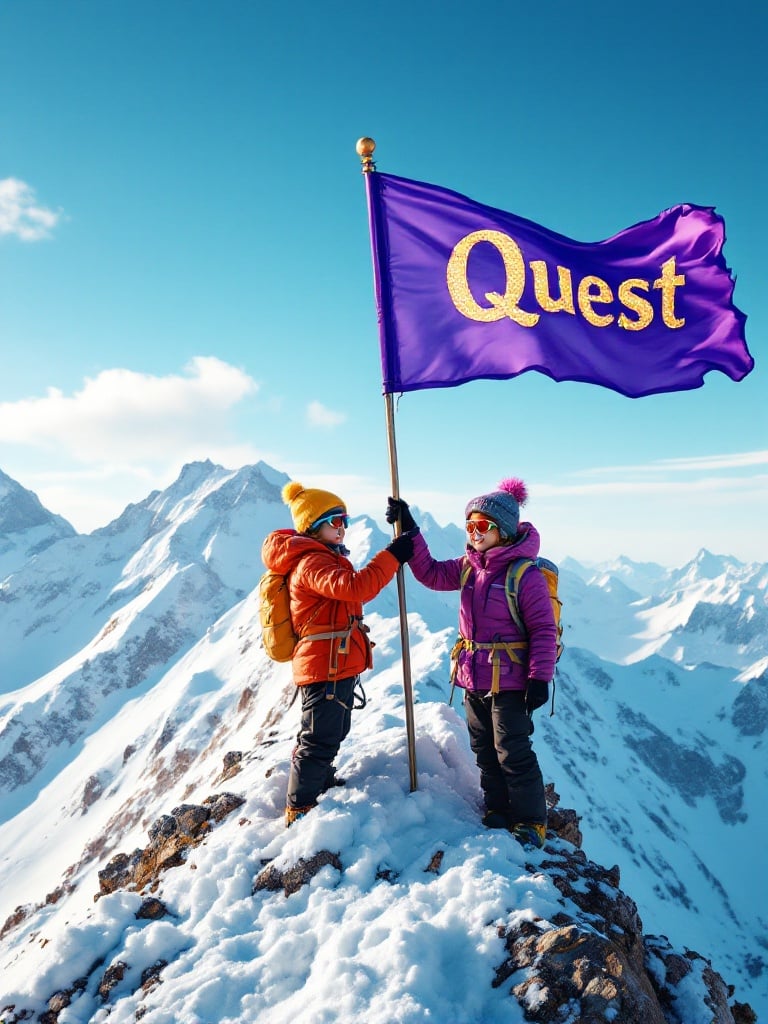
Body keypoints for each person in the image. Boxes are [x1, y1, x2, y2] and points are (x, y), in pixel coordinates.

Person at [387, 479, 557, 848]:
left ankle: (530, 820)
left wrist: (539, 677)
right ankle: (497, 808)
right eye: (470, 526)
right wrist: (411, 530)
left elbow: (544, 629)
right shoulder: (468, 567)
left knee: (512, 748)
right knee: (482, 746)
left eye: (483, 527)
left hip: (511, 680)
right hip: (472, 675)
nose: (474, 533)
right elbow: (430, 573)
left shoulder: (523, 575)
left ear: (505, 531)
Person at [262, 480, 414, 827]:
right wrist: (392, 555)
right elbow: (356, 588)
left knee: (331, 729)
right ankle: (300, 806)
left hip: (332, 662)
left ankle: (317, 784)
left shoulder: (322, 558)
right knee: (319, 735)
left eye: (344, 519)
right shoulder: (313, 562)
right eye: (335, 520)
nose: (342, 527)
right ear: (315, 525)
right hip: (325, 665)